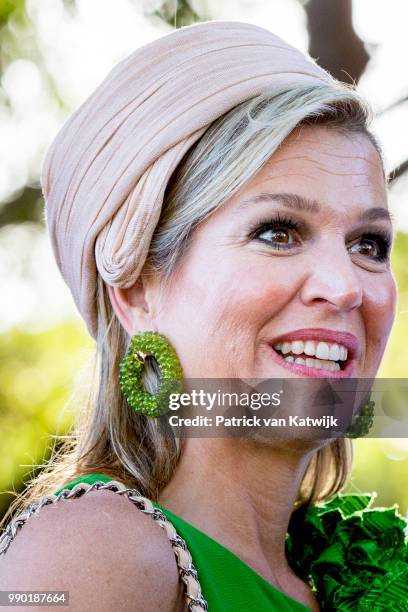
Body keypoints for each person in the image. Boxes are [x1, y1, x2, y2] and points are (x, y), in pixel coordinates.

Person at [1, 20, 407, 612]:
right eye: (279, 233)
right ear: (137, 289)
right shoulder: (93, 552)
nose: (345, 287)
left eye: (369, 243)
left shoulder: (350, 575)